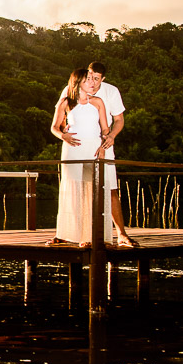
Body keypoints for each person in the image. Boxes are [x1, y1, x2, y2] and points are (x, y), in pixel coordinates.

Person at [48, 66, 111, 246]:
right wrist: (63, 135)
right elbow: (54, 127)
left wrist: (105, 143)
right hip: (72, 150)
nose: (91, 82)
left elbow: (105, 128)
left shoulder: (98, 102)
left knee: (92, 192)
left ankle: (90, 236)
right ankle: (69, 235)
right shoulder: (66, 102)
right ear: (78, 83)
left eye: (92, 79)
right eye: (87, 79)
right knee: (72, 191)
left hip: (93, 150)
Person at [83, 62, 137, 247]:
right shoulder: (74, 87)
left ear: (103, 79)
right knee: (82, 190)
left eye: (97, 78)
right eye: (90, 77)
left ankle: (121, 234)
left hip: (104, 145)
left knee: (111, 189)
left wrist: (112, 136)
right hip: (81, 146)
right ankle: (81, 235)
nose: (93, 81)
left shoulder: (111, 91)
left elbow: (119, 119)